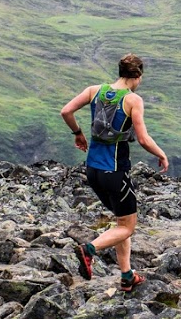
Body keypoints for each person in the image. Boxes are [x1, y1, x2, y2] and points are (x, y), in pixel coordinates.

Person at [60, 54, 169, 292]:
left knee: (121, 222)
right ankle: (89, 250)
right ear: (137, 76)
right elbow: (142, 138)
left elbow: (66, 111)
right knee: (127, 227)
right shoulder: (133, 100)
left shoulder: (94, 91)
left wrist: (78, 133)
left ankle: (127, 275)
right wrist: (161, 154)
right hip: (115, 172)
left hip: (93, 170)